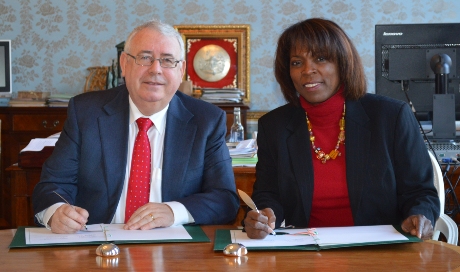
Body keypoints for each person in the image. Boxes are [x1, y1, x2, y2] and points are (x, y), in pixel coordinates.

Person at [32, 19, 240, 234]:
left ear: (181, 70)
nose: (155, 69)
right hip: (98, 243)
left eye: (167, 60)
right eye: (145, 58)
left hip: (173, 249)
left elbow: (225, 199)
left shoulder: (206, 121)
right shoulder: (86, 113)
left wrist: (173, 211)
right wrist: (56, 212)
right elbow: (52, 185)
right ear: (124, 63)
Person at [243, 18, 440, 240]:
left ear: (343, 64)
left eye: (321, 58)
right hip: (304, 249)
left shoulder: (391, 117)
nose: (308, 71)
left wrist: (419, 215)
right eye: (297, 63)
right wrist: (264, 215)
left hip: (376, 249)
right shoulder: (274, 125)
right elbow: (267, 194)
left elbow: (420, 192)